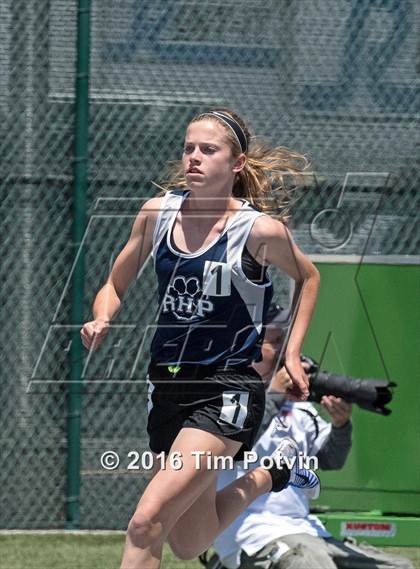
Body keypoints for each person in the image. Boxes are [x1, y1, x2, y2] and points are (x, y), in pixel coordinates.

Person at [80, 109, 321, 569]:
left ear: (236, 164)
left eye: (207, 150)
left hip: (226, 388)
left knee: (145, 521)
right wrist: (101, 317)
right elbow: (114, 284)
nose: (193, 158)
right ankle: (273, 472)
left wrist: (290, 351)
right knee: (187, 543)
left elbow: (310, 279)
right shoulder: (157, 214)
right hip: (167, 384)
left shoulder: (258, 231)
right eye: (188, 148)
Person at [205, 305, 414, 569]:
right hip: (252, 533)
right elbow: (230, 448)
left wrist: (340, 425)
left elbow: (330, 459)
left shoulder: (298, 405)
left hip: (306, 530)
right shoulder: (227, 394)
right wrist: (275, 396)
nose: (286, 351)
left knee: (399, 567)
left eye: (288, 341)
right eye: (277, 341)